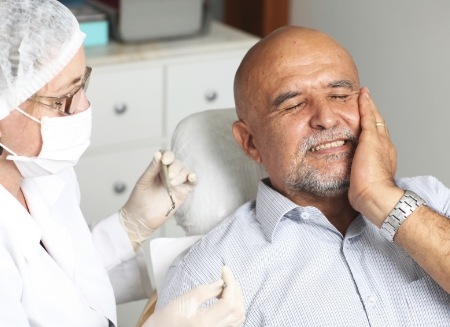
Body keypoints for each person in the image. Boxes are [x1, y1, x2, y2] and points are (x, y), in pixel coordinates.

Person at [157, 25, 450, 325]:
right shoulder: (208, 273)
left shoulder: (434, 202)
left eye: (339, 95)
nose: (326, 118)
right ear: (250, 142)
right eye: (294, 104)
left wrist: (381, 198)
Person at [0, 0, 244, 326]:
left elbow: (67, 285)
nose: (84, 107)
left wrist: (130, 226)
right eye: (62, 100)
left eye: (82, 84)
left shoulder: (40, 171)